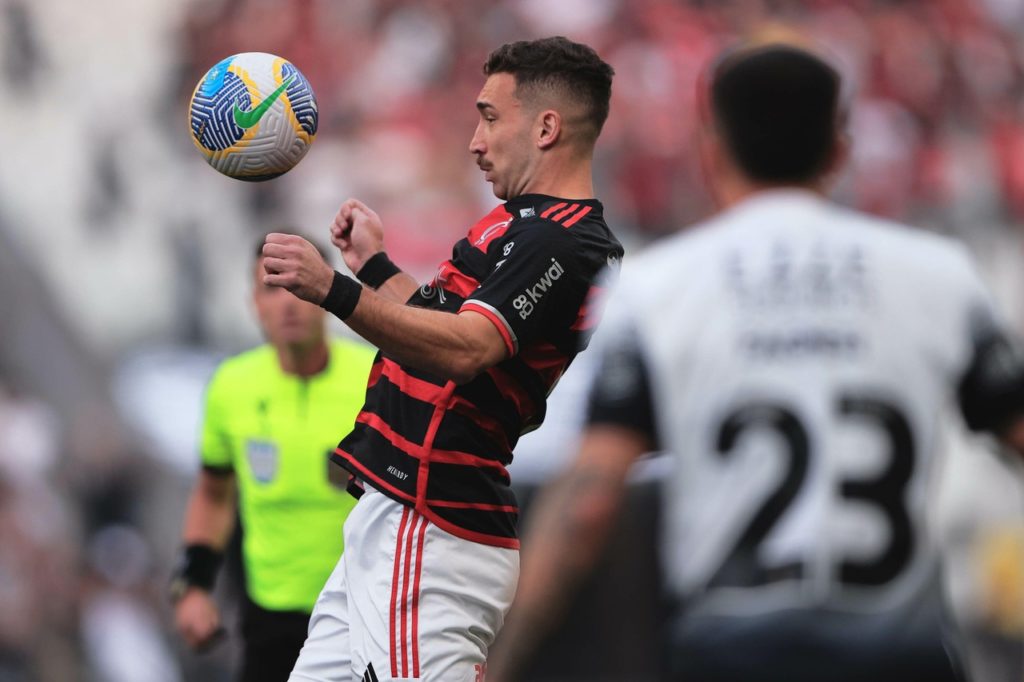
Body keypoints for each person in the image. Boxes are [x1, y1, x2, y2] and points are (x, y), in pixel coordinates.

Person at [486, 43, 1024, 682]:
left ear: (714, 153)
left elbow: (590, 501)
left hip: (733, 655)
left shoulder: (660, 288)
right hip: (899, 655)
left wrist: (505, 659)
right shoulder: (938, 276)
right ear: (840, 149)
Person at [259, 36, 621, 681]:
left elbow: (468, 349)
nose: (476, 142)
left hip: (431, 522)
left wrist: (334, 291)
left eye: (489, 117)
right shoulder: (519, 227)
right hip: (396, 515)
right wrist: (373, 268)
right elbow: (442, 328)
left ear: (546, 127)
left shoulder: (563, 239)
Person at [171, 236, 376, 682]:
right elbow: (213, 494)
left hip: (364, 616)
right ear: (252, 303)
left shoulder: (374, 377)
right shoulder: (231, 386)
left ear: (326, 294)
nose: (287, 304)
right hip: (269, 619)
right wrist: (194, 585)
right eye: (271, 287)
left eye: (299, 285)